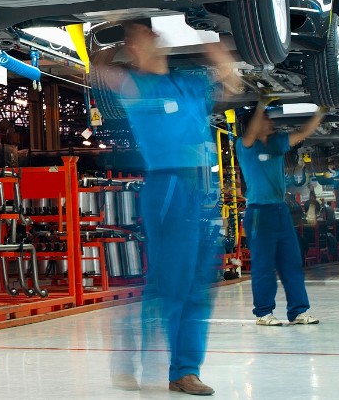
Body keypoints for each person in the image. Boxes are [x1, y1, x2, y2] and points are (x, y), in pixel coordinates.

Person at [96, 21, 243, 396]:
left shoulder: (189, 83)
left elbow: (232, 87)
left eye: (146, 34)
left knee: (197, 286)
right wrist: (117, 42)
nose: (144, 42)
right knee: (167, 283)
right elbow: (96, 71)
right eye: (136, 39)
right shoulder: (135, 85)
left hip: (202, 190)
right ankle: (138, 361)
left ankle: (185, 371)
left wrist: (221, 57)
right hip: (168, 187)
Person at [236, 101, 326, 326]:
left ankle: (298, 312)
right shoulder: (244, 145)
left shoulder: (276, 144)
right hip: (259, 213)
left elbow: (303, 132)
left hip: (280, 211)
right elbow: (251, 132)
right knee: (264, 265)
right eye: (265, 119)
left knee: (291, 263)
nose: (270, 122)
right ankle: (263, 313)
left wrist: (321, 112)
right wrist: (260, 107)